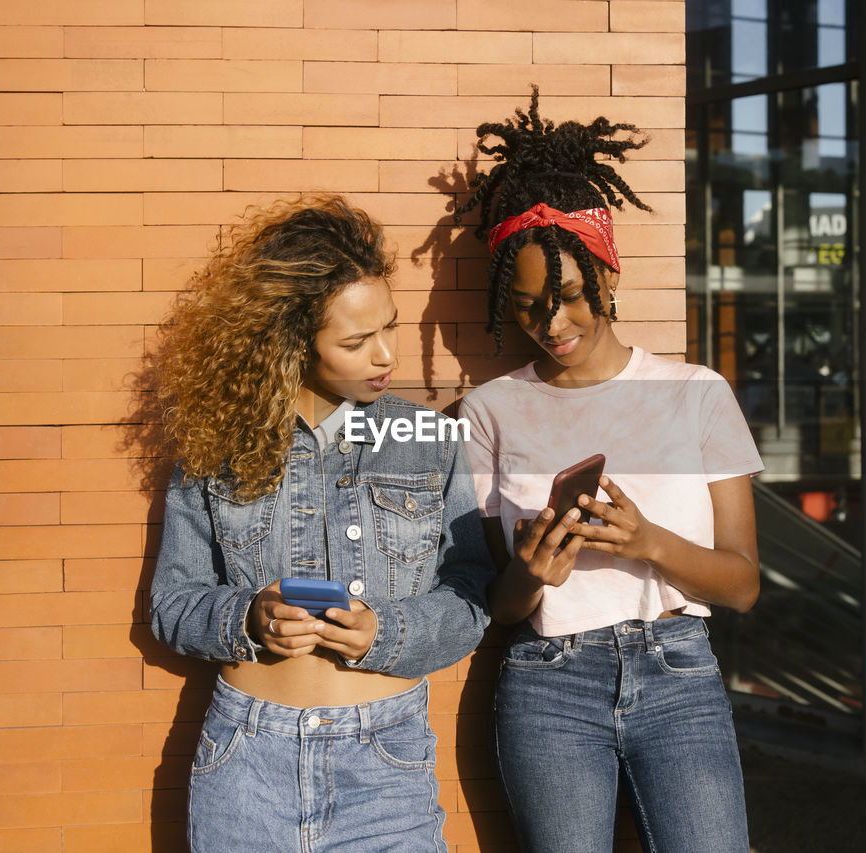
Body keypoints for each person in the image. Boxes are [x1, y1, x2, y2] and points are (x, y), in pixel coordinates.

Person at [455, 90, 764, 853]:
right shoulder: (487, 411)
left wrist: (647, 542)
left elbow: (744, 584)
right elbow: (498, 607)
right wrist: (531, 571)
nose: (550, 324)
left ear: (604, 273)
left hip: (678, 673)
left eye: (564, 296)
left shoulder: (696, 392)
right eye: (525, 307)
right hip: (547, 682)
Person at [149, 194, 493, 851]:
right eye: (357, 341)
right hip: (246, 761)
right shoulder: (215, 446)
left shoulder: (432, 440)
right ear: (292, 340)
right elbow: (172, 603)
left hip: (385, 763)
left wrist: (382, 630)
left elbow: (471, 598)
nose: (386, 355)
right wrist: (249, 616)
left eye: (389, 327)